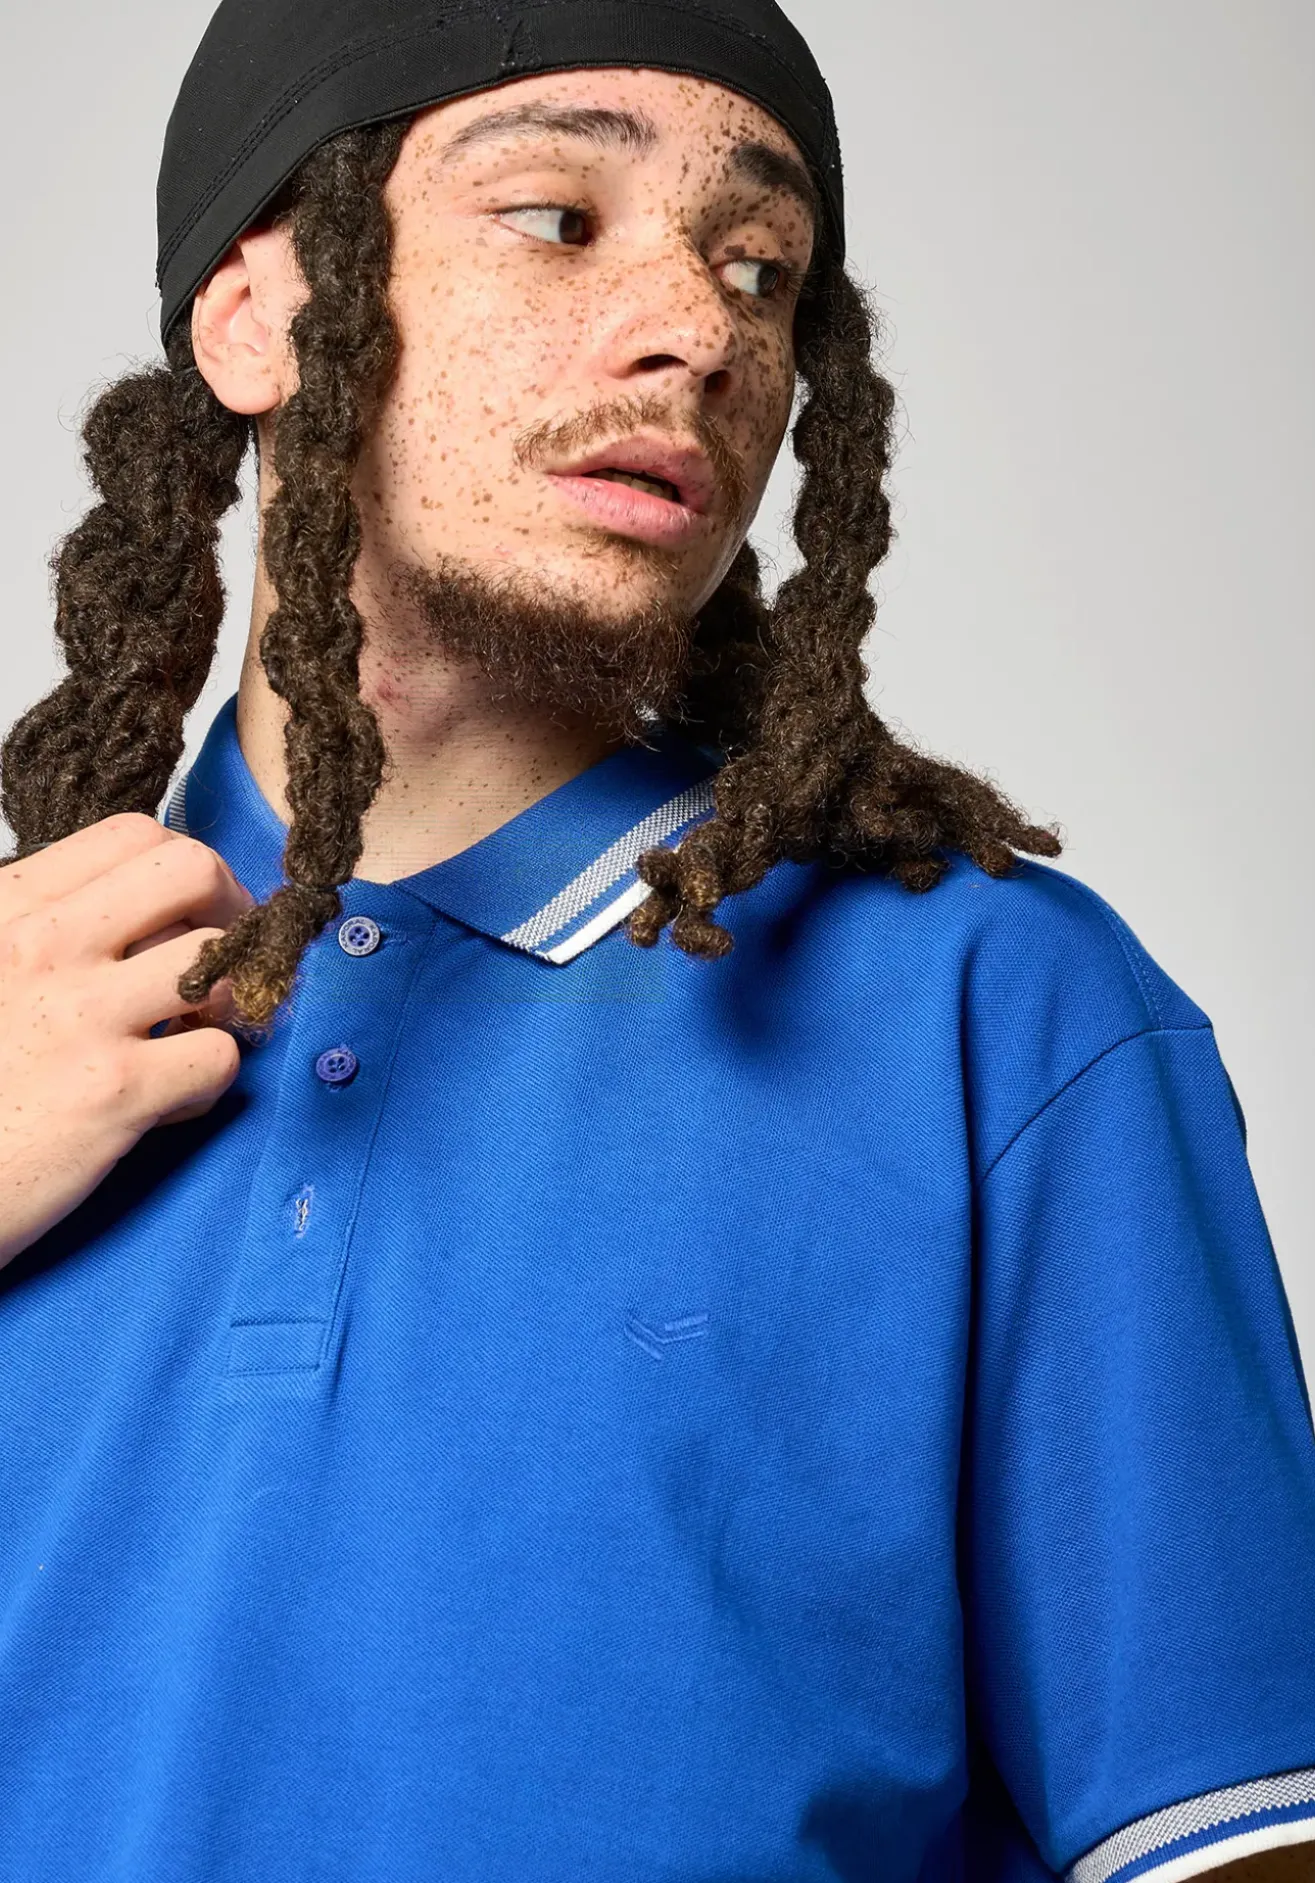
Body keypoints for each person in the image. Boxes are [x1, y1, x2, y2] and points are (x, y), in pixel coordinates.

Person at [0, 2, 1312, 1878]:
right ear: (255, 317)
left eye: (760, 266)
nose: (701, 326)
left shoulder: (995, 1012)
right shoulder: (27, 1006)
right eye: (557, 217)